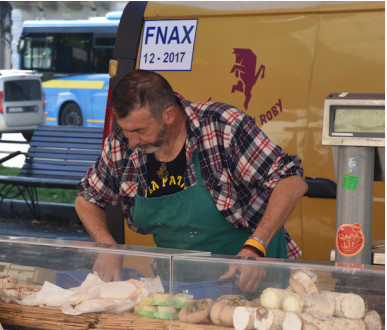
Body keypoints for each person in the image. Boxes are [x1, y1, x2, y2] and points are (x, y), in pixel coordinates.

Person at [76, 70, 307, 291]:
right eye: (125, 130)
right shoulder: (120, 145)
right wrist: (107, 247)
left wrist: (255, 247)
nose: (132, 141)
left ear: (168, 115)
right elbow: (87, 199)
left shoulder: (222, 126)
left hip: (250, 278)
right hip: (179, 285)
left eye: (139, 130)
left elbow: (290, 180)